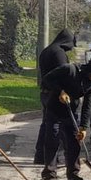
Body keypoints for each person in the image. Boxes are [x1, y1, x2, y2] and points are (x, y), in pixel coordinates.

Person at [39, 54, 91, 180]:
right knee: (52, 141)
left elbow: (88, 107)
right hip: (54, 110)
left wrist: (83, 128)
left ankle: (73, 173)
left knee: (74, 143)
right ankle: (49, 176)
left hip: (71, 113)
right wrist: (60, 91)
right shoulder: (69, 70)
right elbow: (47, 79)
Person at [34, 29, 76, 165]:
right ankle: (56, 157)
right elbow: (63, 74)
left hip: (45, 92)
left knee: (46, 124)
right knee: (58, 127)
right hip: (56, 94)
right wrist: (63, 91)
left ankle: (40, 155)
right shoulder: (59, 53)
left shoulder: (46, 50)